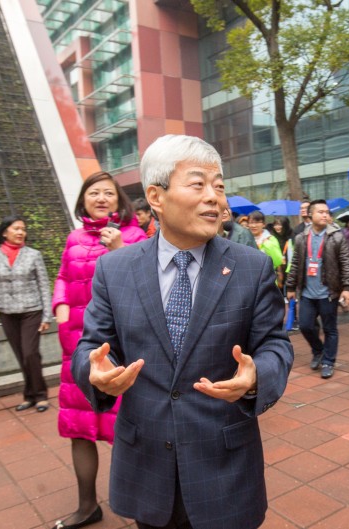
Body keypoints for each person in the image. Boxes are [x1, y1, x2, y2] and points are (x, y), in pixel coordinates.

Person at [72, 134, 293, 529]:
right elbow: (92, 344)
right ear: (156, 197)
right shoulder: (115, 269)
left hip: (224, 465)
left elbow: (275, 344)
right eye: (199, 184)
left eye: (220, 186)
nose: (215, 198)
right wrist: (96, 374)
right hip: (147, 463)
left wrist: (258, 374)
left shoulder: (250, 267)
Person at [52, 171, 147, 529]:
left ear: (120, 201)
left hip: (118, 350)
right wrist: (61, 310)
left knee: (127, 430)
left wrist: (119, 249)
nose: (102, 198)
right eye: (95, 193)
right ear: (84, 200)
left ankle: (142, 508)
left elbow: (146, 285)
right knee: (79, 427)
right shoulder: (73, 237)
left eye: (109, 193)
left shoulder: (135, 236)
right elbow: (62, 277)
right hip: (76, 347)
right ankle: (87, 505)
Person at [0, 215, 52, 412]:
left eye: (23, 229)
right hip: (6, 313)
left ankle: (40, 395)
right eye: (16, 228)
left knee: (30, 353)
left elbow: (44, 286)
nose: (21, 232)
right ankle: (29, 395)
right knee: (21, 355)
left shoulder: (33, 255)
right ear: (5, 232)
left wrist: (47, 316)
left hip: (31, 311)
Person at [285, 199, 349, 379]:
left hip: (328, 293)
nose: (325, 215)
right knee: (306, 326)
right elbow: (295, 264)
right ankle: (318, 351)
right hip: (307, 292)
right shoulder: (301, 237)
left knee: (330, 329)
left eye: (327, 212)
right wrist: (290, 286)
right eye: (320, 212)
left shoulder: (337, 236)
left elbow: (346, 263)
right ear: (310, 214)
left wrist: (347, 288)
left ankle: (328, 362)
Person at [247, 210, 285, 287]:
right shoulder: (246, 239)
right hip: (249, 281)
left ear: (263, 224)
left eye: (257, 222)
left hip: (267, 280)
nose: (254, 226)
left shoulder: (271, 239)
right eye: (251, 222)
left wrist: (266, 244)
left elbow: (278, 261)